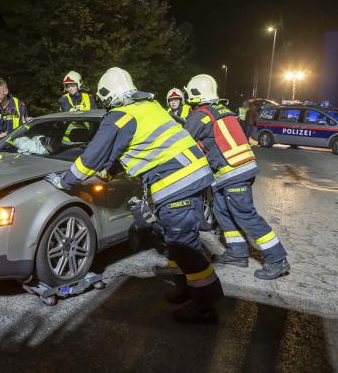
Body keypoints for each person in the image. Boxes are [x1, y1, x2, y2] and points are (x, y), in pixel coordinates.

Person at [44, 67, 223, 323]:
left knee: (185, 246)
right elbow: (133, 149)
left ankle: (205, 306)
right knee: (175, 241)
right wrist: (107, 173)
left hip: (177, 182)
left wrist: (65, 181)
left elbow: (92, 157)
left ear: (107, 96)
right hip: (192, 175)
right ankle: (185, 289)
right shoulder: (149, 107)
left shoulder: (120, 115)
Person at [183, 74, 290, 279]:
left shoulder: (202, 114)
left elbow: (183, 140)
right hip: (233, 171)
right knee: (222, 211)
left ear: (195, 93)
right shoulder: (224, 110)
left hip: (233, 172)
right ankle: (237, 253)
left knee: (245, 215)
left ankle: (277, 259)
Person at [58, 71, 97, 145]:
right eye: (68, 86)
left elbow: (96, 120)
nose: (70, 89)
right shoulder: (64, 99)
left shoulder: (89, 98)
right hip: (67, 141)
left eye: (72, 85)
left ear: (78, 85)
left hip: (86, 139)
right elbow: (69, 111)